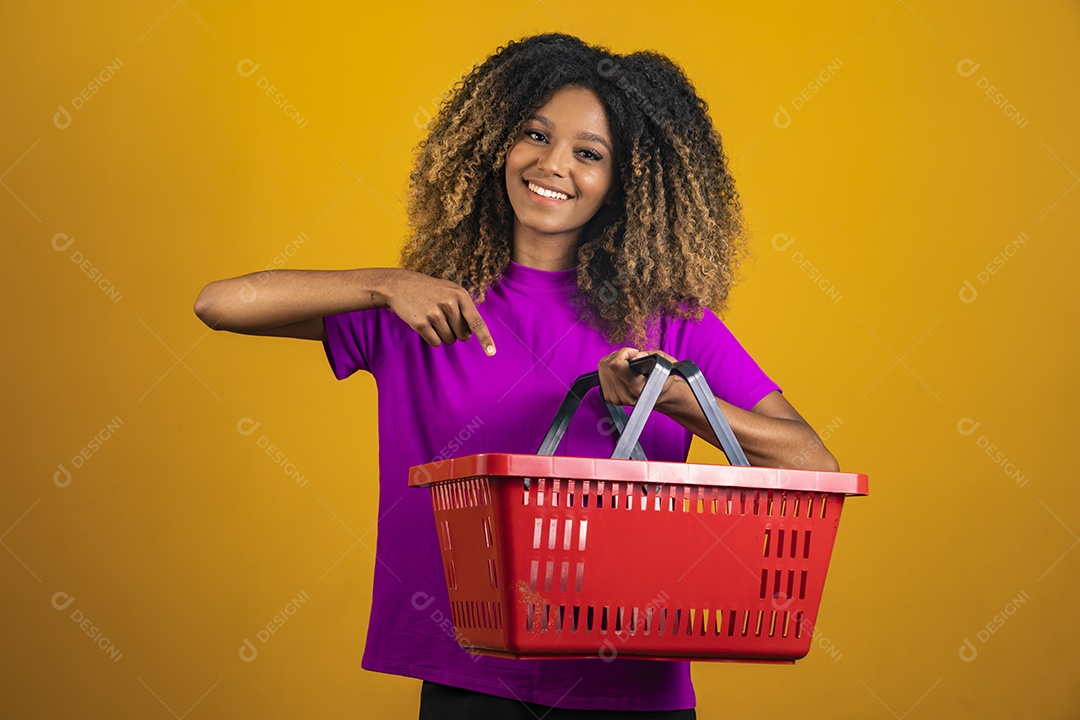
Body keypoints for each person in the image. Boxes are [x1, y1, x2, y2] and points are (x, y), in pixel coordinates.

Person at [194, 32, 838, 719]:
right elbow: (221, 304)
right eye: (535, 134)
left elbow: (814, 464)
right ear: (497, 143)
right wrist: (384, 284)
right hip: (470, 679)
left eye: (589, 154)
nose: (552, 165)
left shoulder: (669, 323)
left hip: (631, 690)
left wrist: (675, 398)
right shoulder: (426, 309)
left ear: (627, 182)